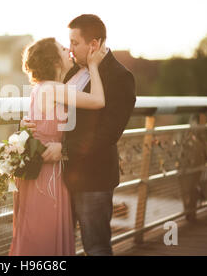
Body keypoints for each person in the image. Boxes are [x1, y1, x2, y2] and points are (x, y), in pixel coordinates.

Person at [22, 14, 136, 256]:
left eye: (74, 43)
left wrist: (64, 150)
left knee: (95, 247)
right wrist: (30, 125)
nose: (70, 50)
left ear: (93, 44)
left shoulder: (120, 77)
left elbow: (108, 134)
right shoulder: (68, 70)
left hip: (91, 179)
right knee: (58, 244)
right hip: (57, 178)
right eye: (68, 44)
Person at [9, 37, 107, 256]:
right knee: (45, 234)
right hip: (47, 173)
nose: (68, 50)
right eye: (63, 49)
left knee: (37, 231)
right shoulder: (54, 89)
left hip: (43, 170)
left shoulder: (42, 88)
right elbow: (99, 101)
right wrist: (93, 66)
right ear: (54, 61)